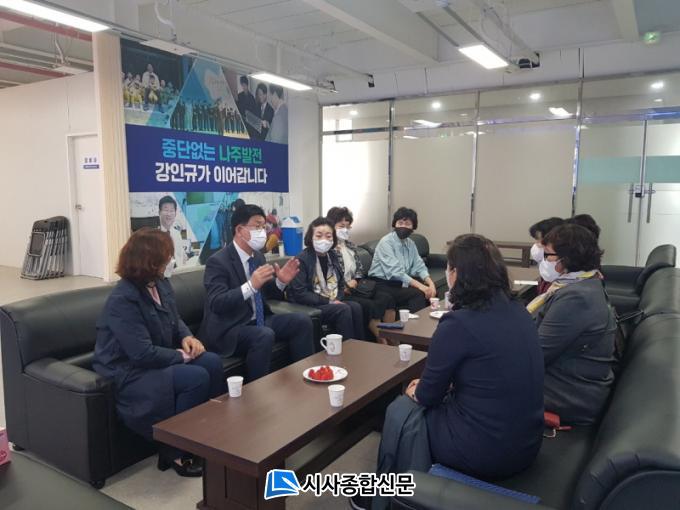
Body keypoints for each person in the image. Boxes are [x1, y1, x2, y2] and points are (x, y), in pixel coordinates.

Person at [352, 235, 545, 510]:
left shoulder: (458, 324)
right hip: (525, 443)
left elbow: (428, 396)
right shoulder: (519, 310)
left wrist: (418, 390)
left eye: (449, 267)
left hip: (486, 452)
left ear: (456, 273)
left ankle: (388, 496)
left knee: (401, 410)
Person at [93, 228, 225, 478]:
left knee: (212, 362)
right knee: (195, 377)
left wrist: (187, 337)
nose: (171, 261)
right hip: (129, 371)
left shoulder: (160, 284)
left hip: (157, 356)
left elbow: (175, 319)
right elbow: (141, 354)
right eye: (167, 257)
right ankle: (174, 451)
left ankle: (206, 436)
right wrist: (183, 355)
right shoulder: (123, 300)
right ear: (150, 262)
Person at [200, 204, 315, 381]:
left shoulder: (258, 256)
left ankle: (306, 377)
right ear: (240, 230)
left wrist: (281, 282)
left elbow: (269, 293)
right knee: (263, 335)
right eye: (257, 226)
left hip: (258, 320)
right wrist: (251, 286)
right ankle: (258, 392)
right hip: (231, 328)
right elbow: (217, 302)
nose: (263, 232)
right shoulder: (217, 262)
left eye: (264, 227)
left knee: (302, 321)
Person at [526, 224, 616, 425]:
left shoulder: (577, 298)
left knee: (475, 383)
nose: (543, 260)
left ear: (565, 259)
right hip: (566, 381)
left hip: (566, 395)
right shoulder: (585, 283)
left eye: (548, 255)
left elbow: (535, 355)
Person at [288, 217, 364, 341]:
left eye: (328, 236)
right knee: (343, 309)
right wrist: (329, 301)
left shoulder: (332, 255)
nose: (324, 240)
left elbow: (340, 283)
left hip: (330, 300)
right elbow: (300, 293)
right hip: (310, 305)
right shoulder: (301, 259)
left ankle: (359, 346)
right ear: (311, 238)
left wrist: (337, 298)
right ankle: (347, 349)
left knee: (356, 307)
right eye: (319, 236)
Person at [327, 206, 396, 341]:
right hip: (342, 291)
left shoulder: (350, 246)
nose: (345, 230)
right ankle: (383, 342)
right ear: (331, 226)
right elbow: (330, 276)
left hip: (356, 287)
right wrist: (345, 285)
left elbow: (359, 269)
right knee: (369, 306)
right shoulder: (328, 249)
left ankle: (393, 338)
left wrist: (356, 280)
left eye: (348, 226)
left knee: (387, 298)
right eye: (341, 226)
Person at [368, 207, 436, 312]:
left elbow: (419, 265)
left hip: (399, 282)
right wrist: (421, 286)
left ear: (413, 227)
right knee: (418, 294)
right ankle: (415, 323)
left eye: (407, 224)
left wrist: (431, 284)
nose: (403, 226)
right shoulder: (386, 242)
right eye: (400, 223)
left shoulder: (410, 243)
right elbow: (396, 272)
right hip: (382, 284)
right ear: (394, 224)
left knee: (431, 292)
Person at [528, 216, 565, 295]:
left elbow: (550, 275)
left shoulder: (562, 259)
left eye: (540, 240)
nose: (538, 244)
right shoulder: (543, 249)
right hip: (546, 285)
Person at [158, 195, 186, 269]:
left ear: (175, 213)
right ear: (159, 212)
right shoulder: (155, 235)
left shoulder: (177, 233)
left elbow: (181, 255)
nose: (169, 214)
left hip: (178, 272)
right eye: (166, 210)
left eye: (171, 211)